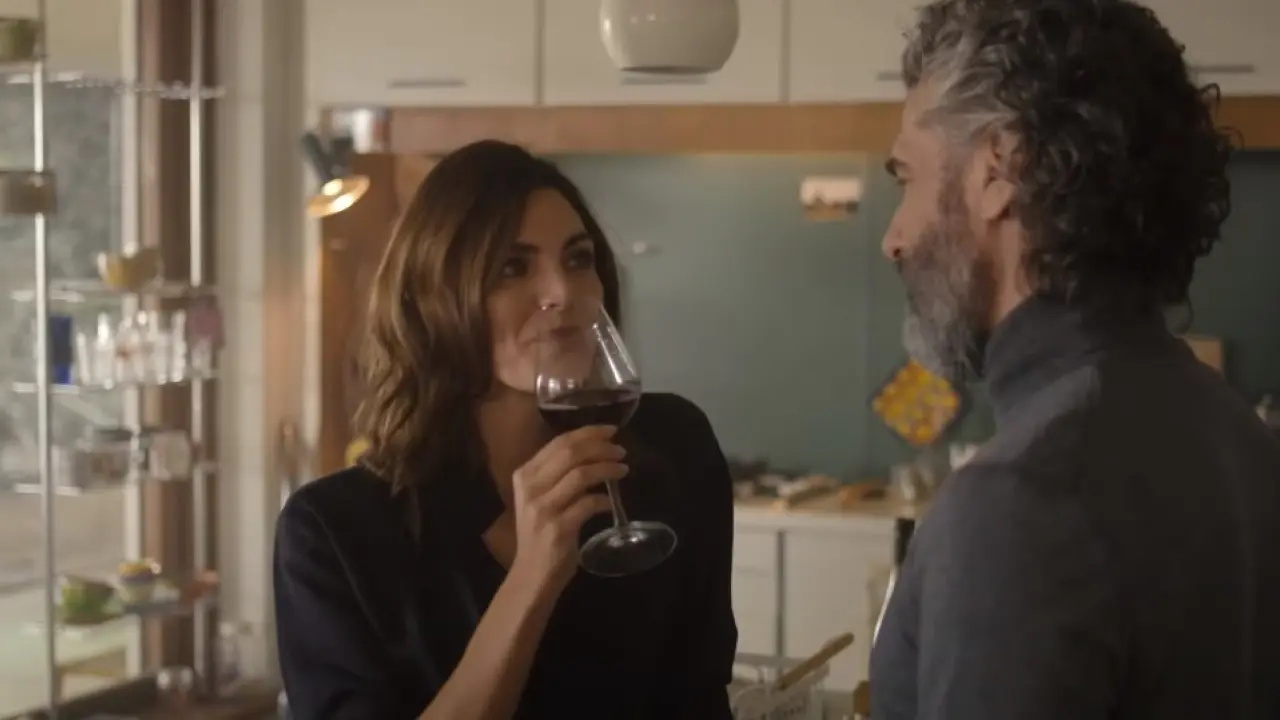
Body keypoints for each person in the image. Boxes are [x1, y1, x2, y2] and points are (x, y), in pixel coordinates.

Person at [869, 0, 1280, 718]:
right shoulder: (1241, 436)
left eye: (906, 178)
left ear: (999, 169)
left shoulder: (1018, 504)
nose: (893, 238)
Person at [273, 140, 738, 719]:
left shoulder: (675, 448)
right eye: (512, 268)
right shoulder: (333, 535)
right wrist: (534, 575)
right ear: (434, 300)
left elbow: (702, 697)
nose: (562, 293)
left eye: (578, 259)